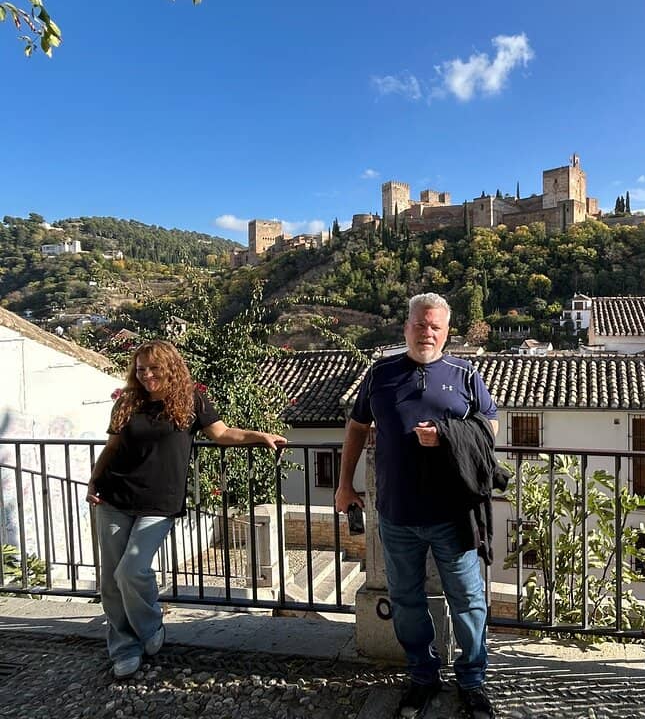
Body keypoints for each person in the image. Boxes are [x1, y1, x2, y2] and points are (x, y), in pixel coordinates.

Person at [334, 293, 500, 719]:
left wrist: (447, 434)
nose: (427, 333)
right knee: (406, 600)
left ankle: (473, 681)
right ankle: (422, 677)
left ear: (447, 331)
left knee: (468, 599)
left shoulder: (465, 374)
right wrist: (344, 485)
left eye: (436, 327)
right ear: (406, 326)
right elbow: (356, 427)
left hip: (453, 514)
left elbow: (490, 427)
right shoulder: (381, 374)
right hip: (396, 513)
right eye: (420, 324)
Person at [86, 340, 287, 679]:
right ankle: (124, 647)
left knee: (131, 571)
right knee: (110, 580)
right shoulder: (127, 403)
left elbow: (222, 433)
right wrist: (93, 480)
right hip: (114, 496)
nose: (147, 375)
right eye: (141, 369)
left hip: (160, 503)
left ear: (170, 367)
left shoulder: (190, 400)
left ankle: (149, 628)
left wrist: (259, 435)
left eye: (154, 368)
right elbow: (112, 447)